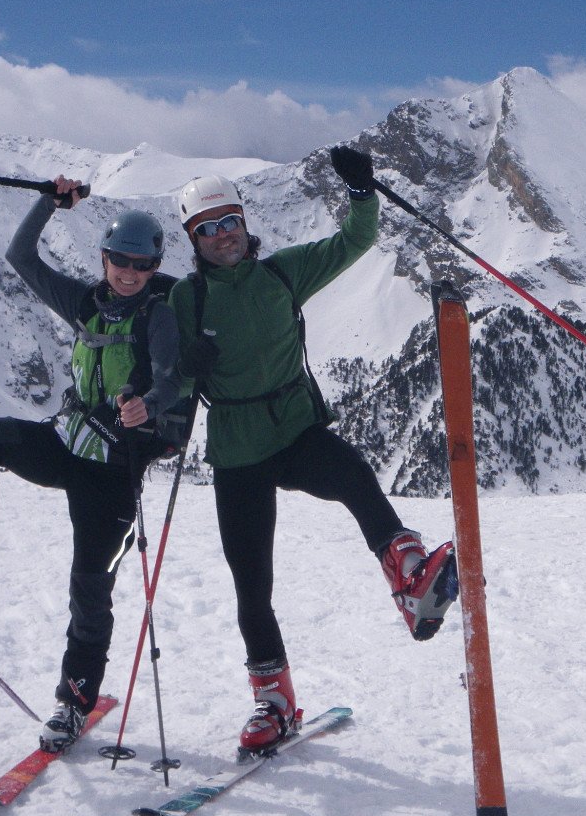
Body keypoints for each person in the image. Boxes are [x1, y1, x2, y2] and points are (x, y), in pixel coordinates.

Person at [169, 146, 457, 755]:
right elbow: (161, 371)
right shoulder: (184, 301)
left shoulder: (281, 274)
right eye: (208, 229)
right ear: (193, 239)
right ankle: (273, 702)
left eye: (229, 221)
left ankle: (409, 576)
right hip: (238, 450)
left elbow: (354, 241)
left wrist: (362, 193)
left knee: (353, 473)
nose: (223, 235)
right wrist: (183, 366)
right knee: (252, 585)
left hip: (295, 429)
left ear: (245, 221)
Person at [0, 177, 189, 751]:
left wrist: (146, 405)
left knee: (89, 588)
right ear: (103, 257)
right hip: (65, 445)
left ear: (155, 267)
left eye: (143, 265)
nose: (129, 273)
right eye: (120, 261)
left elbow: (171, 378)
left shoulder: (159, 316)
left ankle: (73, 703)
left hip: (113, 472)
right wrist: (49, 204)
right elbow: (20, 256)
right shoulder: (85, 303)